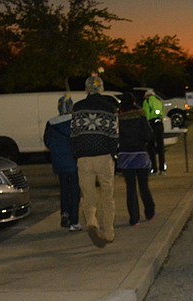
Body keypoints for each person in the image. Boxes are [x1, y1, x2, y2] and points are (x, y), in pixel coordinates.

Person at [70, 74, 119, 248]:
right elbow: (114, 135)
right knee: (107, 194)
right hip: (104, 157)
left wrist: (77, 153)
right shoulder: (110, 108)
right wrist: (114, 154)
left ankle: (91, 222)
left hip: (84, 158)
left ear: (86, 89)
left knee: (88, 195)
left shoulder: (77, 108)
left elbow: (74, 134)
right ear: (101, 89)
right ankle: (109, 232)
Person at [43, 93, 82, 232]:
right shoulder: (76, 122)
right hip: (74, 161)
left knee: (64, 189)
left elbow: (47, 142)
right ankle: (74, 220)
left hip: (59, 161)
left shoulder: (51, 123)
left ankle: (64, 212)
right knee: (75, 191)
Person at [117, 92, 155, 226]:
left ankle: (134, 217)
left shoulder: (119, 119)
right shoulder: (140, 116)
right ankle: (149, 211)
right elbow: (149, 135)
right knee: (144, 185)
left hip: (126, 156)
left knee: (130, 188)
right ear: (134, 102)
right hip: (140, 154)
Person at [142, 89, 166, 174]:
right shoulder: (159, 102)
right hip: (160, 124)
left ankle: (154, 169)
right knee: (161, 147)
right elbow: (162, 113)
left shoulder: (146, 102)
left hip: (152, 125)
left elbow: (146, 115)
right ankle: (163, 169)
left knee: (151, 147)